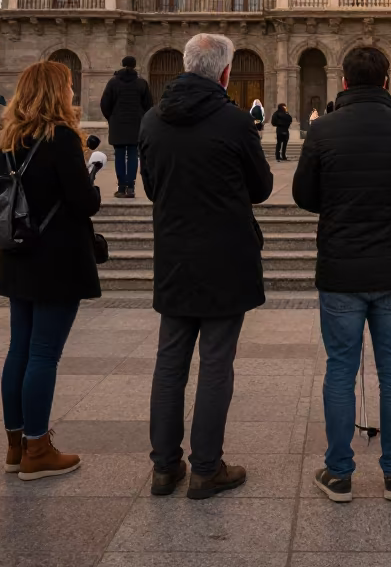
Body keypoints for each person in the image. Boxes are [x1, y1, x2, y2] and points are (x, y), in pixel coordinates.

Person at [140, 33, 273, 499]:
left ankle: (163, 468)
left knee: (169, 363)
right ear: (224, 73)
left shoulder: (152, 121)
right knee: (216, 364)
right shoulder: (236, 122)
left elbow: (153, 186)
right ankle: (206, 469)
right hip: (226, 257)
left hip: (174, 255)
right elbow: (260, 188)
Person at [293, 46, 391, 502]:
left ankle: (339, 472)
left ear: (343, 81)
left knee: (339, 371)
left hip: (341, 267)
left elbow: (304, 195)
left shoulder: (322, 128)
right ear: (387, 81)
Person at [0, 60, 101, 479]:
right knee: (43, 353)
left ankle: (15, 447)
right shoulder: (59, 139)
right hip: (55, 257)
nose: (73, 92)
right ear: (58, 92)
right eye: (69, 86)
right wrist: (91, 174)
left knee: (19, 348)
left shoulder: (7, 138)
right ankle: (38, 448)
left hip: (17, 253)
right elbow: (83, 201)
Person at [99, 55, 154, 199]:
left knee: (119, 155)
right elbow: (149, 105)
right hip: (136, 124)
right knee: (133, 155)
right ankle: (131, 187)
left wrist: (111, 118)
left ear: (122, 64)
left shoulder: (113, 83)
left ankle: (121, 187)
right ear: (135, 65)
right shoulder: (141, 83)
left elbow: (105, 104)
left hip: (118, 125)